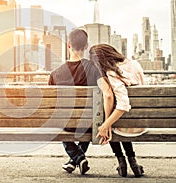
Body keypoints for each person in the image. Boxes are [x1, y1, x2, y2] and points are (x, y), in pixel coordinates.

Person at [48, 29, 114, 175]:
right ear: (86, 46)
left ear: (69, 46)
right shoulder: (93, 68)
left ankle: (77, 158)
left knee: (61, 122)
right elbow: (108, 94)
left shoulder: (54, 74)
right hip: (88, 123)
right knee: (89, 119)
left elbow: (51, 106)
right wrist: (106, 123)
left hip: (66, 124)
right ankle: (77, 158)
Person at [89, 43, 146, 177]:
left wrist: (105, 125)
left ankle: (122, 162)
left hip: (125, 124)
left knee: (111, 124)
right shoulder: (135, 64)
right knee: (116, 122)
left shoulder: (112, 73)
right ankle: (132, 161)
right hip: (140, 121)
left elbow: (122, 104)